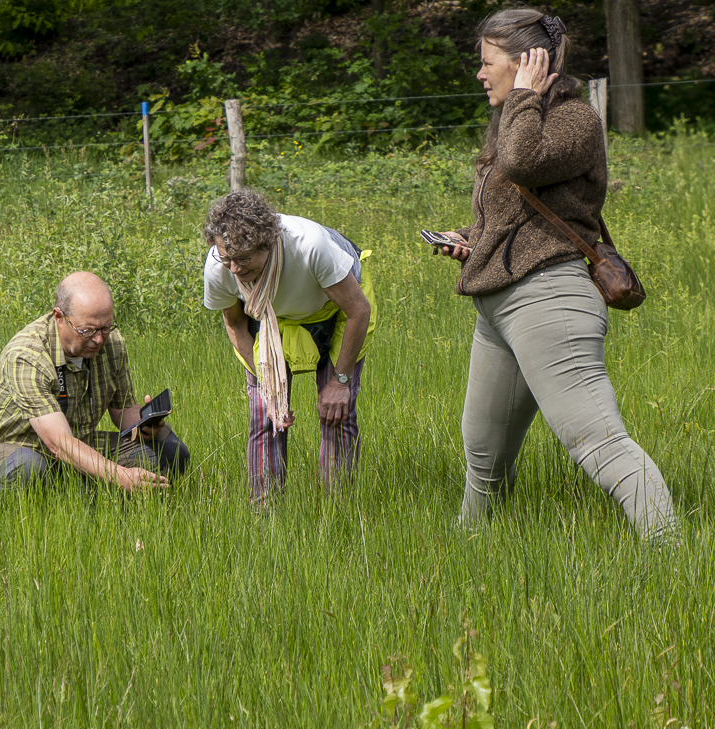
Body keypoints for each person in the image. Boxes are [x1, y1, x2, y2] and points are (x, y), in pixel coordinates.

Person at [433, 7, 676, 538]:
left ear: (527, 63)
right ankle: (469, 551)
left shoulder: (573, 119)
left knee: (595, 438)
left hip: (548, 300)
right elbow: (513, 211)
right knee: (483, 449)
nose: (479, 74)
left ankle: (670, 551)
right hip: (499, 306)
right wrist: (473, 244)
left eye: (487, 62)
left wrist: (523, 95)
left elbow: (523, 164)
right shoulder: (515, 119)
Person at [202, 189, 376, 502]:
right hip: (270, 318)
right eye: (228, 258)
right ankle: (266, 516)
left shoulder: (311, 246)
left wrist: (340, 383)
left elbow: (358, 311)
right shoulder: (220, 265)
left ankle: (339, 511)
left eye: (244, 258)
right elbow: (235, 324)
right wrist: (270, 392)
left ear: (268, 242)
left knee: (336, 411)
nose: (235, 269)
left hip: (334, 311)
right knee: (264, 415)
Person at [0, 272, 190, 492]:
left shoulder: (112, 344)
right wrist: (119, 476)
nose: (99, 339)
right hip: (15, 447)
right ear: (59, 317)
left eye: (105, 327)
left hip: (80, 442)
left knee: (170, 451)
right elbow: (59, 443)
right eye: (87, 330)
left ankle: (83, 488)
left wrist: (144, 423)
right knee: (29, 468)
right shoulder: (27, 356)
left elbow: (122, 411)